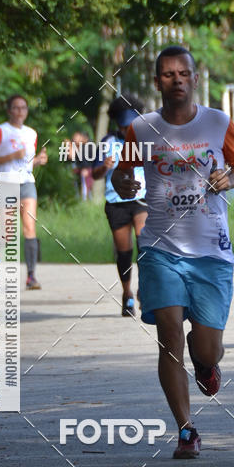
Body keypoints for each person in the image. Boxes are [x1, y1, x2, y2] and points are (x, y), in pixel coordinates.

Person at [112, 46, 234, 459]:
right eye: (168, 74)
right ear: (158, 82)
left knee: (206, 347)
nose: (176, 79)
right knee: (169, 335)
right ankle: (186, 429)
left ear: (194, 78)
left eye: (183, 73)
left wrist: (232, 177)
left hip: (211, 250)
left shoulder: (218, 122)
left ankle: (207, 365)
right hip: (159, 246)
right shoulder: (142, 129)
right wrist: (124, 185)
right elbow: (123, 173)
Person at [0, 94, 47, 290]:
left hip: (26, 182)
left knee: (29, 227)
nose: (20, 112)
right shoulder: (0, 131)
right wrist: (11, 155)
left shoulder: (31, 133)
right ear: (9, 111)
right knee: (7, 231)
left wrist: (37, 160)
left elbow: (26, 162)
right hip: (5, 182)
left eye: (24, 108)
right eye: (16, 108)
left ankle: (31, 276)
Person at [92, 97, 147, 317]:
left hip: (142, 198)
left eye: (130, 125)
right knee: (124, 252)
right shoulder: (107, 142)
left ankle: (145, 288)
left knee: (144, 245)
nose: (127, 130)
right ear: (117, 124)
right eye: (123, 126)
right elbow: (94, 174)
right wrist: (103, 168)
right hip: (116, 202)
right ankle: (127, 294)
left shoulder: (145, 140)